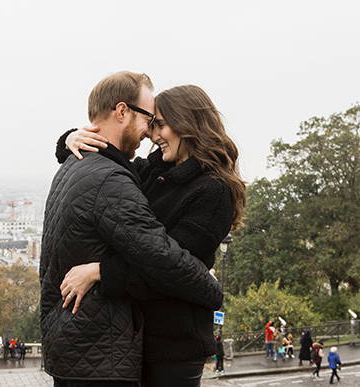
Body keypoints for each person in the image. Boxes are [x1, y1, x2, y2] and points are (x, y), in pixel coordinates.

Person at [54, 82, 244, 387]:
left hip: (175, 344)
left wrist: (101, 272)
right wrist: (70, 139)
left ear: (188, 125)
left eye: (161, 125)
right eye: (152, 124)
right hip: (137, 336)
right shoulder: (152, 170)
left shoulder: (213, 191)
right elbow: (108, 161)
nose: (153, 136)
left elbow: (172, 269)